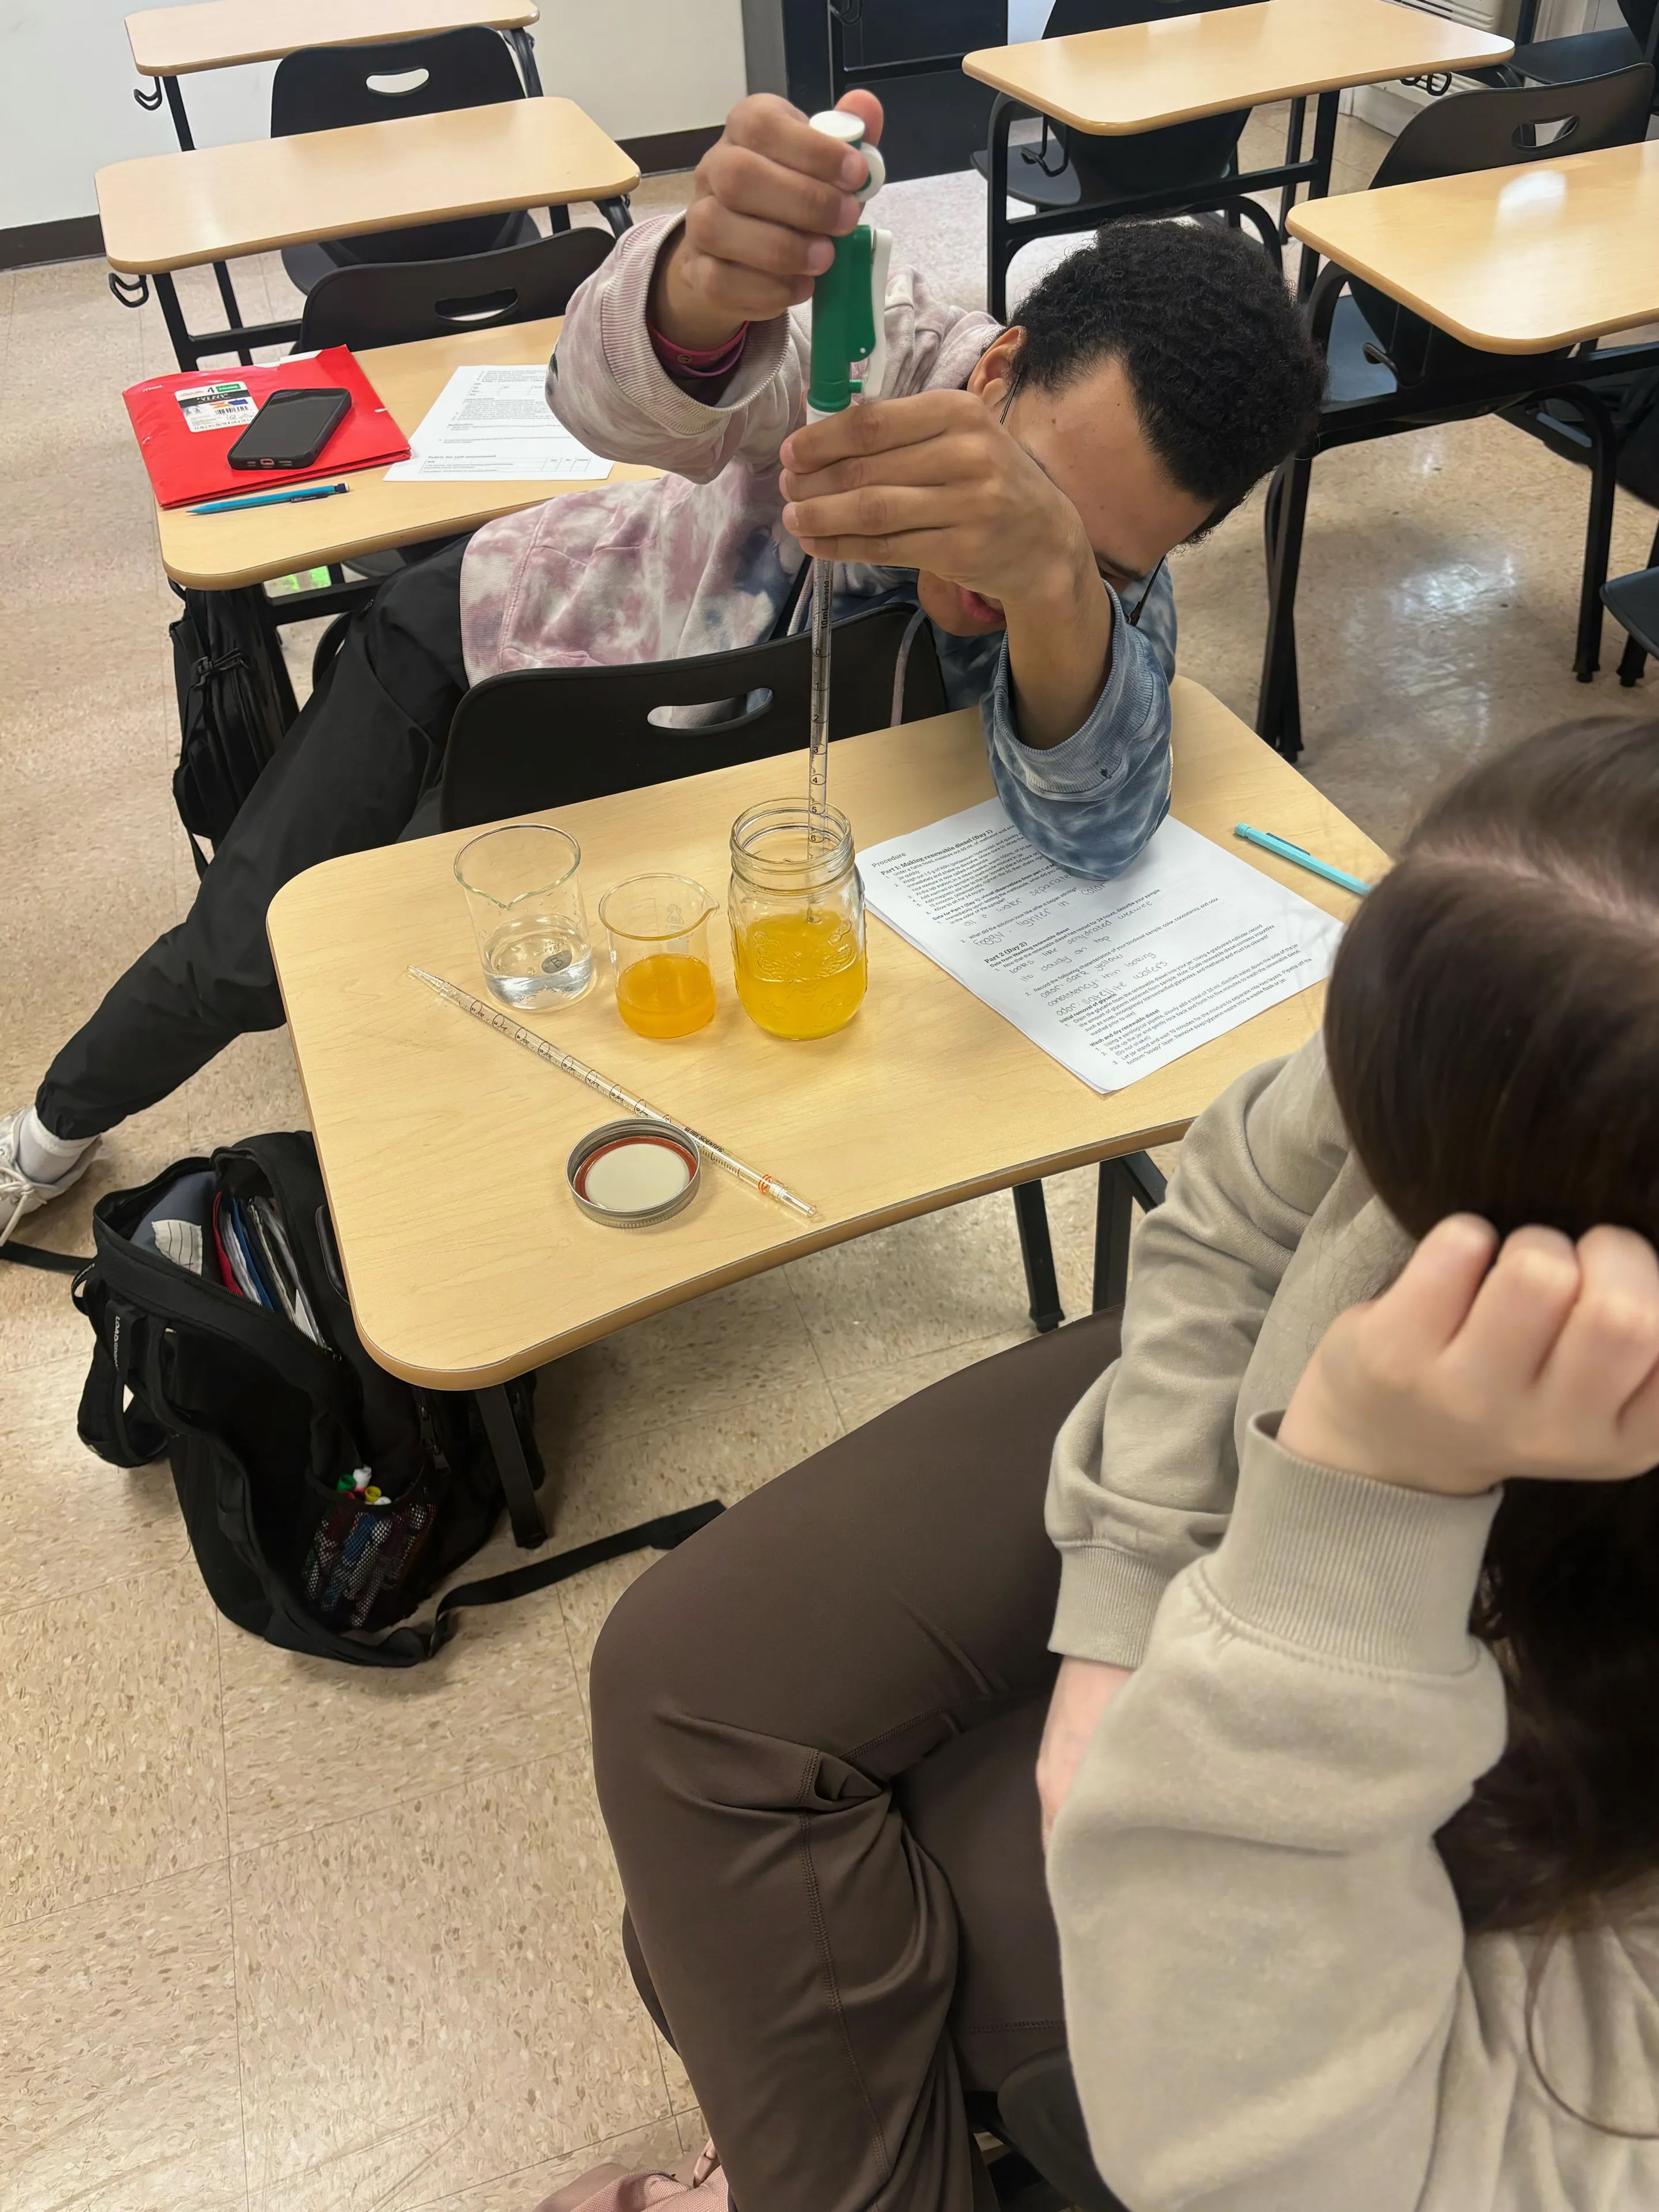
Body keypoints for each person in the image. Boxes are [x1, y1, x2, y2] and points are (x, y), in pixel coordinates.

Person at [580, 716, 1659, 2212]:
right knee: (684, 1696)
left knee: (759, 1939)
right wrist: (1121, 1620)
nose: (1370, 1200)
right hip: (1307, 1488)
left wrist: (1358, 1522)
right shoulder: (1576, 959)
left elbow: (1345, 2164)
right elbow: (1236, 1200)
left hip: (1455, 1714)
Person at [0, 90, 1323, 1245]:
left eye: (1092, 553)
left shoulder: (1110, 569)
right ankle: (47, 1135)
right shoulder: (877, 365)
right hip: (483, 654)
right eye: (1020, 489)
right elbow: (621, 394)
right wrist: (698, 290)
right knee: (274, 950)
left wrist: (1058, 579)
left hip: (671, 781)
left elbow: (1097, 825)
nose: (1007, 562)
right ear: (994, 369)